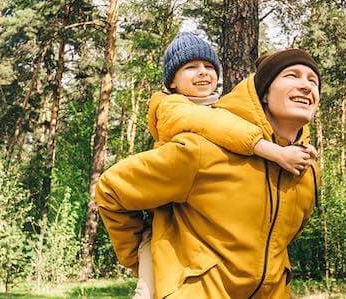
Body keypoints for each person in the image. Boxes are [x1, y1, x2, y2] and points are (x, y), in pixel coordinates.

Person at [96, 48, 322, 298]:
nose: (305, 85)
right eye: (292, 75)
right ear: (265, 92)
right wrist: (144, 260)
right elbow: (110, 190)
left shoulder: (308, 172)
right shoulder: (200, 149)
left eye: (313, 80)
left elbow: (280, 240)